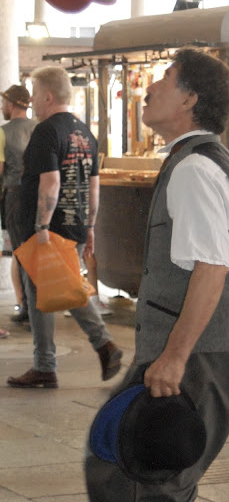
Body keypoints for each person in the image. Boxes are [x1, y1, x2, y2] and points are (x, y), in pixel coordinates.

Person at [85, 47, 229, 501]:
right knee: (126, 462)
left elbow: (212, 269)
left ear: (188, 100)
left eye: (165, 78)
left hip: (199, 355)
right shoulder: (197, 162)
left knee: (157, 480)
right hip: (196, 351)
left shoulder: (196, 169)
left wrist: (176, 357)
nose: (151, 88)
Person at [7, 66, 122, 388]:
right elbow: (93, 187)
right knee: (44, 291)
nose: (31, 100)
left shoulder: (47, 131)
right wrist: (90, 227)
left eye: (33, 92)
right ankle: (46, 364)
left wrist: (41, 226)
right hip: (73, 224)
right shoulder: (86, 132)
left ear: (47, 95)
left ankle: (101, 345)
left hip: (47, 227)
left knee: (62, 288)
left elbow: (52, 181)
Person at [0, 85, 37, 324]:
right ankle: (36, 306)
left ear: (12, 104)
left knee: (19, 252)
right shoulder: (39, 129)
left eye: (3, 103)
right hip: (38, 194)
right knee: (34, 249)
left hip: (13, 195)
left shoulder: (3, 132)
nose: (2, 107)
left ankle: (26, 308)